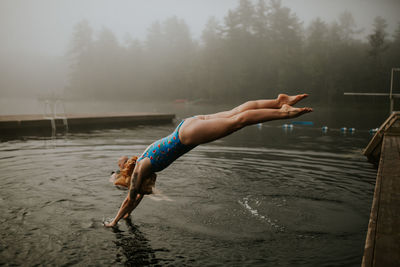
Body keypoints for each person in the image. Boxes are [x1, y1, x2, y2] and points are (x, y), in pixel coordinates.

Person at [104, 94, 312, 227]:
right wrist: (127, 216)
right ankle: (278, 101)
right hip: (187, 125)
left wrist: (114, 221)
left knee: (237, 122)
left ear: (130, 177)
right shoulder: (141, 159)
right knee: (234, 113)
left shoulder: (141, 170)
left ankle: (282, 113)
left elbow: (130, 198)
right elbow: (136, 197)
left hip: (187, 137)